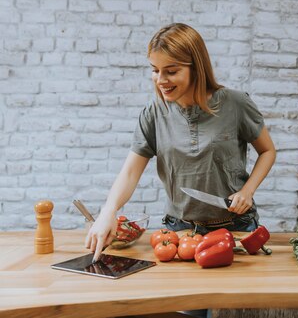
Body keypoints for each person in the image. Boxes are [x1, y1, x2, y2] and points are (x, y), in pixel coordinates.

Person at [86, 23, 276, 262]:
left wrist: (247, 191)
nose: (160, 80)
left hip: (236, 227)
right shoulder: (154, 113)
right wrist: (108, 211)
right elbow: (131, 172)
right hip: (179, 231)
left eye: (171, 71)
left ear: (196, 68)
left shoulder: (236, 104)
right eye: (155, 70)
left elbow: (267, 151)